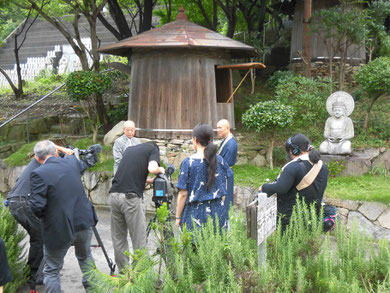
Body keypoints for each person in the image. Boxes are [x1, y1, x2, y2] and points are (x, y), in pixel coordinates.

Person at [29, 140, 98, 292]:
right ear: (55, 153)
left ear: (37, 158)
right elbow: (85, 164)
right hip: (83, 221)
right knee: (86, 258)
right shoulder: (71, 162)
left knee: (52, 269)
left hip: (58, 228)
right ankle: (94, 290)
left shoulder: (38, 174)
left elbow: (36, 207)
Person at [6, 145, 73, 291]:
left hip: (16, 202)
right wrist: (65, 151)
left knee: (38, 237)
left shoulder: (38, 162)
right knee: (40, 238)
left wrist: (61, 151)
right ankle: (34, 275)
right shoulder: (43, 162)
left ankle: (34, 272)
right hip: (23, 203)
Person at [109, 142, 164, 273]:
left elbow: (131, 174)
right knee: (139, 239)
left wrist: (149, 180)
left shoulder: (129, 149)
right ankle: (142, 277)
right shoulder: (153, 148)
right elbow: (152, 168)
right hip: (130, 199)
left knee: (119, 238)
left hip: (114, 195)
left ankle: (124, 276)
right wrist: (161, 170)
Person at [259, 134, 329, 230]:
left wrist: (264, 187)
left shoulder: (294, 167)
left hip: (291, 220)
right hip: (312, 217)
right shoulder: (322, 166)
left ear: (294, 150)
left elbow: (281, 188)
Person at [176, 124, 229, 231]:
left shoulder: (188, 163)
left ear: (195, 140)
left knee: (194, 246)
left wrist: (178, 217)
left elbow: (183, 194)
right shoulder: (220, 160)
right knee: (217, 245)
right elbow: (224, 189)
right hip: (218, 213)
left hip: (195, 213)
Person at [216, 119, 238, 213]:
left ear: (227, 128)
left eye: (220, 127)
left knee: (226, 200)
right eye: (217, 127)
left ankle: (225, 222)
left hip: (225, 174)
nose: (218, 130)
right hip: (223, 173)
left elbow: (226, 163)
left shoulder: (231, 143)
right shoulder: (226, 140)